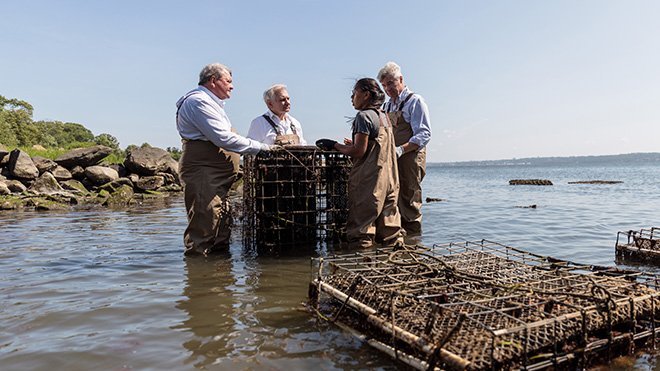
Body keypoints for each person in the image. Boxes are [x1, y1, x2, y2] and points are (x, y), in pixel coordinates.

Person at [176, 62, 276, 256]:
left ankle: (219, 279)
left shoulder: (211, 103)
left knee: (220, 225)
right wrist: (263, 148)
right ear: (213, 80)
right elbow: (223, 138)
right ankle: (201, 279)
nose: (232, 86)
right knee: (204, 226)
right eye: (228, 81)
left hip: (217, 177)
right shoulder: (199, 101)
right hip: (204, 172)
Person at [318, 78, 403, 248]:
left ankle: (362, 266)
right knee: (391, 232)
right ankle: (393, 264)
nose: (352, 97)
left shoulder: (363, 117)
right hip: (390, 181)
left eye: (354, 93)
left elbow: (358, 152)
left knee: (361, 232)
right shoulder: (384, 117)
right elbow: (376, 146)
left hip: (369, 182)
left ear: (366, 95)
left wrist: (334, 145)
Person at [377, 61, 431, 237]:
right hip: (392, 159)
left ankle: (414, 242)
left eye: (391, 83)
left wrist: (401, 149)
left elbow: (424, 134)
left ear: (401, 79)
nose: (388, 89)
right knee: (393, 198)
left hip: (411, 158)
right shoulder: (386, 106)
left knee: (410, 199)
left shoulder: (415, 101)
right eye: (384, 85)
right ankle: (401, 243)